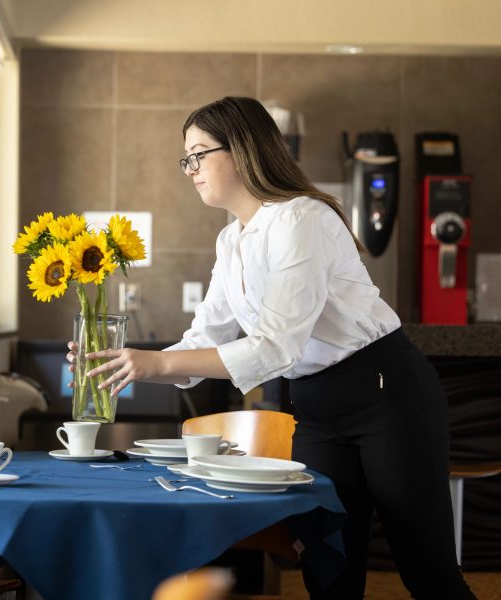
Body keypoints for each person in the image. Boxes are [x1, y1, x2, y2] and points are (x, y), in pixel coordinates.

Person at [68, 96, 475, 599]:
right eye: (186, 158)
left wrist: (157, 360)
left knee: (426, 571)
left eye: (199, 154)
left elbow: (277, 346)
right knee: (328, 567)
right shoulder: (230, 240)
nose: (190, 169)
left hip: (385, 395)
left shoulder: (301, 218)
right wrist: (129, 364)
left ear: (240, 149)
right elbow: (204, 338)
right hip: (316, 406)